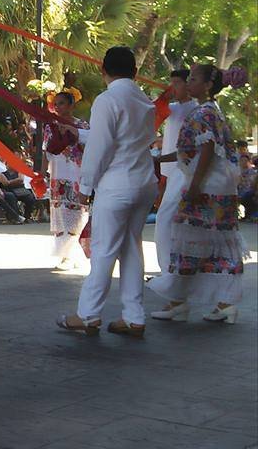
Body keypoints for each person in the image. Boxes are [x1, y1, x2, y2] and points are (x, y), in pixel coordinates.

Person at [57, 47, 157, 338]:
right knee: (131, 248)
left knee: (103, 250)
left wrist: (86, 186)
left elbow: (101, 147)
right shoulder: (145, 101)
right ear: (135, 72)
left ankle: (88, 315)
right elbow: (123, 139)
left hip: (116, 185)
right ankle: (134, 316)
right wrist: (80, 133)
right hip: (143, 182)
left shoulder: (107, 99)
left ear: (103, 70)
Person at [148, 65, 248, 324]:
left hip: (206, 188)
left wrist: (194, 186)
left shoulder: (204, 112)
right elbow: (192, 149)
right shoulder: (208, 110)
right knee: (213, 244)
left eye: (193, 79)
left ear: (207, 85)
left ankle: (180, 301)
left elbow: (206, 150)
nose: (188, 82)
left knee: (188, 241)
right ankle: (217, 303)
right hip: (215, 187)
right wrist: (159, 158)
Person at [152, 69, 197, 274]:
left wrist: (160, 158)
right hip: (169, 171)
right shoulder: (171, 107)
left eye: (177, 83)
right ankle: (168, 270)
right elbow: (152, 114)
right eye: (171, 83)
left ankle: (172, 271)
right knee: (165, 220)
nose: (173, 87)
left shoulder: (195, 110)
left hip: (184, 171)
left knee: (170, 220)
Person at [44, 91, 91, 268]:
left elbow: (90, 148)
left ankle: (72, 255)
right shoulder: (51, 126)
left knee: (78, 213)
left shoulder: (83, 126)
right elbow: (46, 151)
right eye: (55, 104)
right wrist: (40, 174)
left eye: (62, 103)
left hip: (77, 173)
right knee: (60, 214)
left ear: (72, 105)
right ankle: (65, 255)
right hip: (57, 173)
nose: (57, 107)